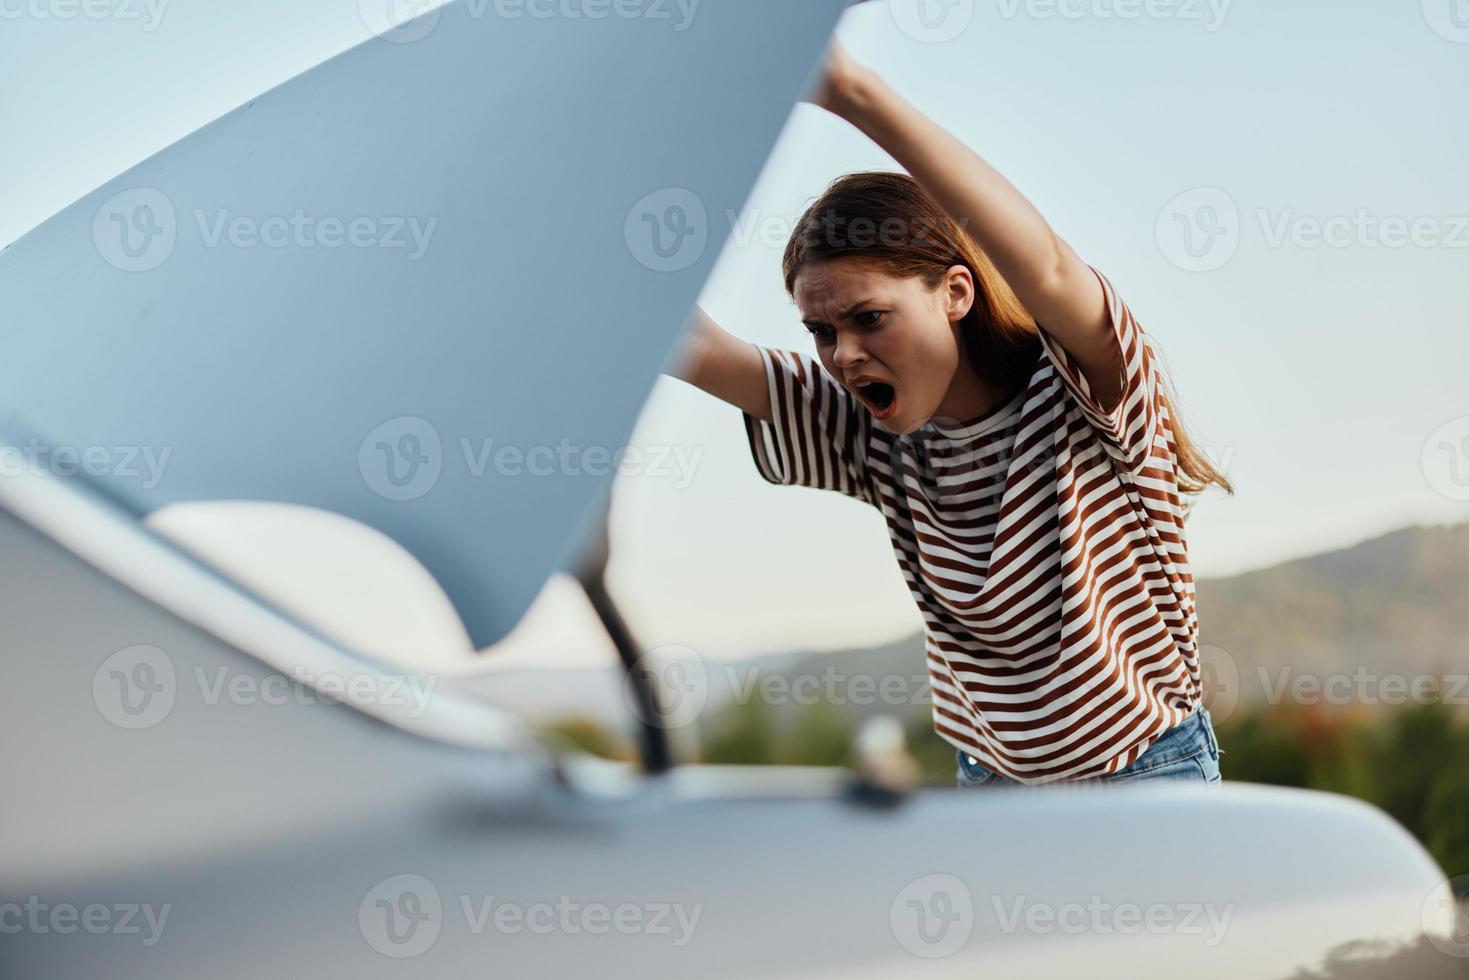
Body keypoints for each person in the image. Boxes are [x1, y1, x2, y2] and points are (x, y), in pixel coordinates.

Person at [675, 41, 1230, 787]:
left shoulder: (1090, 395)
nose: (842, 355)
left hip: (1144, 777)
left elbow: (1050, 269)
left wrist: (850, 92)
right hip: (993, 794)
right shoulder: (863, 428)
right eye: (821, 331)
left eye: (869, 318)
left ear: (956, 293)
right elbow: (690, 345)